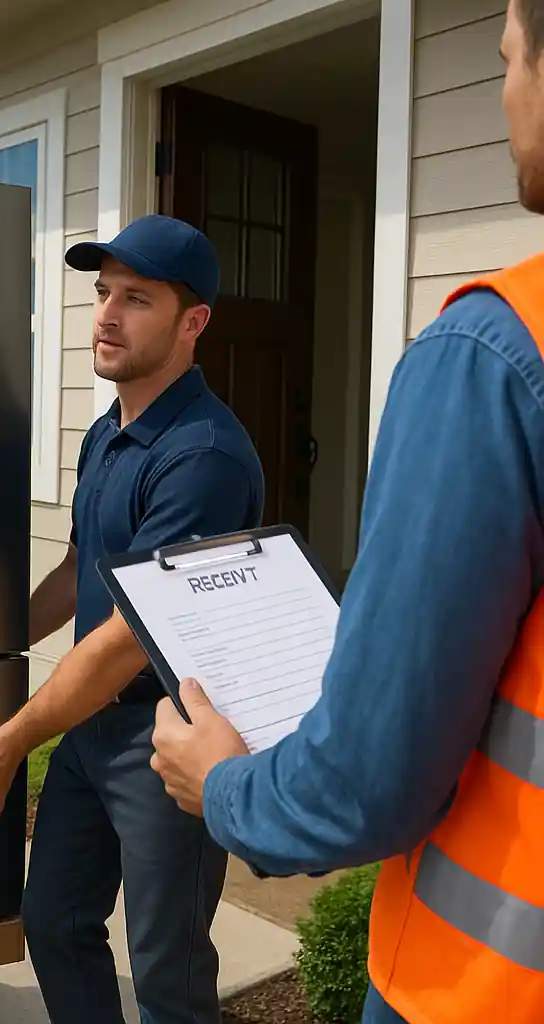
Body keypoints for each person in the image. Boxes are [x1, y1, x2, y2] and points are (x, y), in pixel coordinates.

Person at [149, 2, 544, 1022]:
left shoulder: (495, 356)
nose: (503, 93)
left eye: (506, 60)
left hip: (484, 989)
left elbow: (368, 779)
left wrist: (227, 786)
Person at [0, 214, 265, 1023]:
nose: (108, 316)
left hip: (166, 742)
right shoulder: (105, 436)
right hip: (89, 735)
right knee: (54, 923)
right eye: (103, 293)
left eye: (137, 299)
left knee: (168, 974)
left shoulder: (202, 457)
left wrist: (8, 742)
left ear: (194, 323)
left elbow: (123, 641)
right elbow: (81, 567)